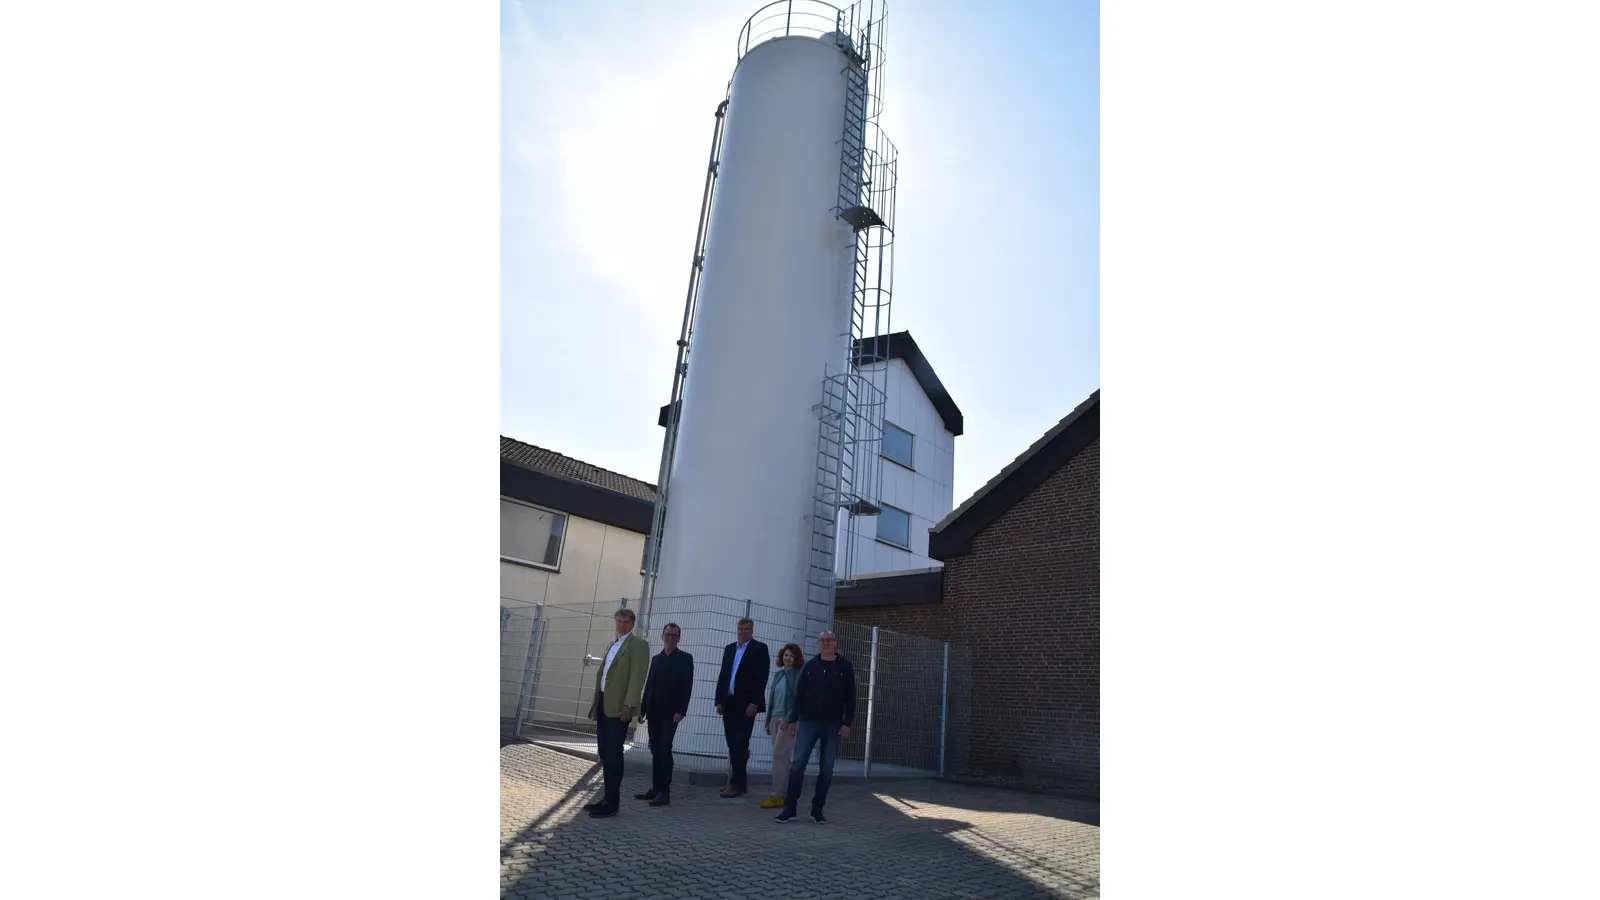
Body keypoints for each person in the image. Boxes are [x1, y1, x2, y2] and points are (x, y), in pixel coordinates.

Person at [775, 631, 855, 825]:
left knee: (827, 768)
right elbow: (800, 696)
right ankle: (790, 808)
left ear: (836, 643)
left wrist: (847, 723)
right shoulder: (811, 666)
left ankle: (817, 809)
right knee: (798, 765)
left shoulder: (844, 667)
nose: (825, 643)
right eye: (822, 640)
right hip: (809, 721)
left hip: (832, 724)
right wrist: (793, 720)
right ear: (818, 644)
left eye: (829, 640)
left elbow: (851, 697)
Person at [582, 608, 649, 819]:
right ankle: (605, 798)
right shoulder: (613, 643)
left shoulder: (638, 645)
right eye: (618, 621)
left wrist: (629, 704)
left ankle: (612, 802)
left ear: (632, 623)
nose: (620, 625)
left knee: (613, 753)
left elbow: (637, 676)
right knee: (604, 751)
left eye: (625, 622)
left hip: (619, 708)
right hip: (604, 704)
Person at [634, 622, 693, 807]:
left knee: (665, 750)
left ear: (679, 638)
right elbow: (649, 685)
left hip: (671, 714)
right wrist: (642, 709)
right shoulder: (656, 659)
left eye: (674, 635)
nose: (670, 638)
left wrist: (680, 711)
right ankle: (655, 787)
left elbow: (686, 687)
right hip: (654, 711)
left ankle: (664, 792)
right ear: (662, 636)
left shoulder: (685, 659)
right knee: (655, 750)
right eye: (668, 634)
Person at [713, 617, 770, 798]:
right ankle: (740, 783)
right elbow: (724, 675)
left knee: (740, 743)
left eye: (747, 629)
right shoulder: (730, 649)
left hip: (746, 705)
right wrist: (719, 700)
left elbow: (762, 677)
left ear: (752, 631)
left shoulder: (759, 649)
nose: (743, 632)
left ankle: (736, 784)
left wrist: (755, 703)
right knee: (732, 744)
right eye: (740, 628)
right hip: (729, 703)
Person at [759, 642, 805, 809]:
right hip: (775, 719)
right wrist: (768, 721)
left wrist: (790, 720)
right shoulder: (778, 675)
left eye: (791, 656)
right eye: (786, 655)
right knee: (781, 759)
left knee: (779, 756)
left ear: (797, 659)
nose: (788, 658)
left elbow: (799, 700)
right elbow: (772, 699)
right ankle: (784, 794)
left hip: (788, 721)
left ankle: (777, 795)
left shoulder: (799, 675)